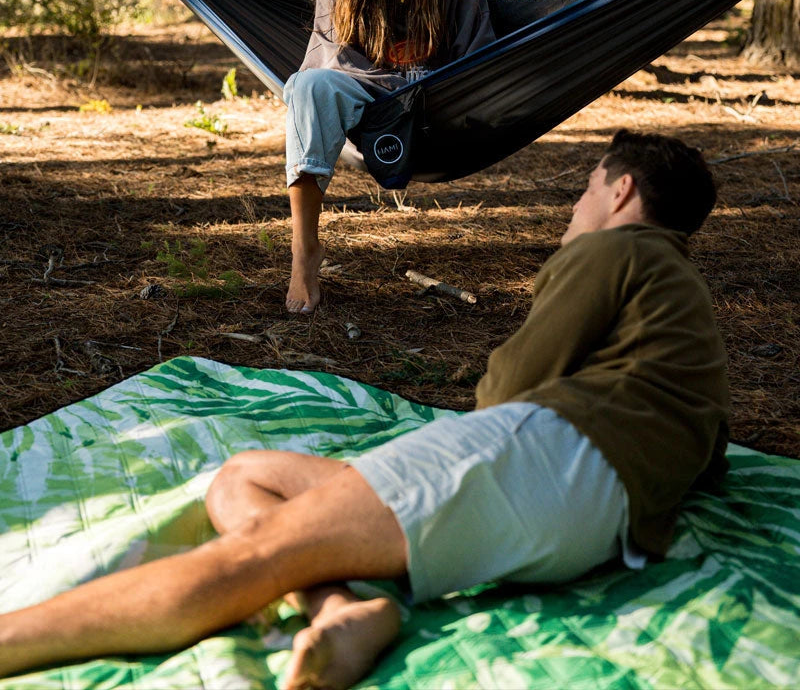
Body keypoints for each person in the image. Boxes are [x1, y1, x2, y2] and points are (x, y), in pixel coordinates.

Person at [0, 130, 730, 690]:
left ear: (623, 192)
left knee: (255, 555)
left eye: (584, 192)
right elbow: (711, 447)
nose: (576, 209)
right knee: (244, 478)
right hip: (599, 522)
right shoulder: (681, 298)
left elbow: (507, 392)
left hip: (545, 457)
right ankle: (338, 608)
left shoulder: (617, 252)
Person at [283, 0, 495, 313]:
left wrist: (419, 92)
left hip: (437, 106)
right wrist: (392, 90)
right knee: (306, 88)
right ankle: (304, 250)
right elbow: (328, 58)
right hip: (366, 100)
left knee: (309, 88)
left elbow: (480, 63)